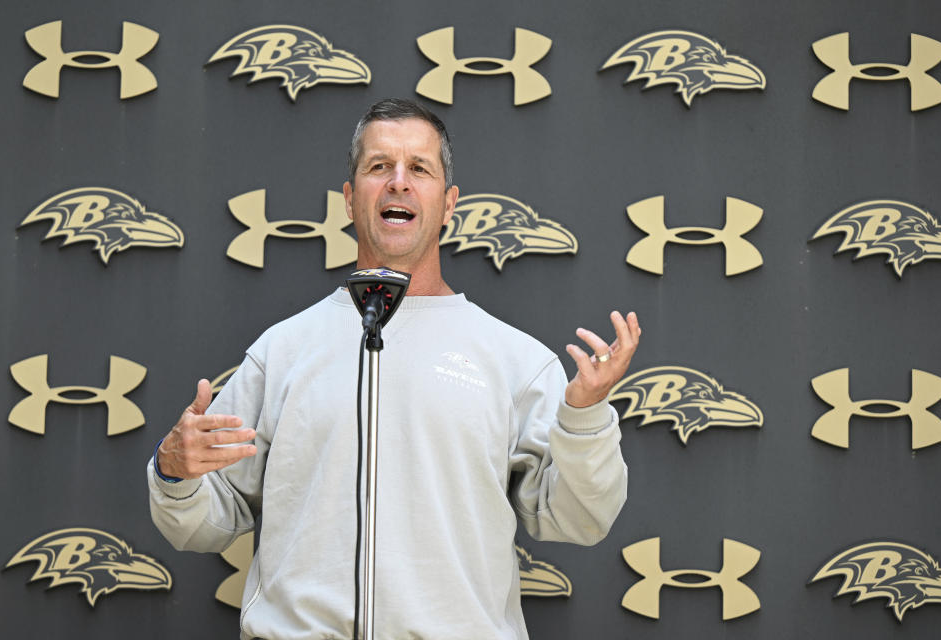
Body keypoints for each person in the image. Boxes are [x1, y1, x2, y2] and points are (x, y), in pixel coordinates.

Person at [148, 98, 641, 640]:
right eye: (379, 166)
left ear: (449, 203)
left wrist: (586, 419)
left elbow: (578, 518)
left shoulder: (514, 360)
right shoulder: (282, 351)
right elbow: (206, 522)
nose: (399, 182)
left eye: (419, 168)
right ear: (349, 199)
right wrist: (175, 474)